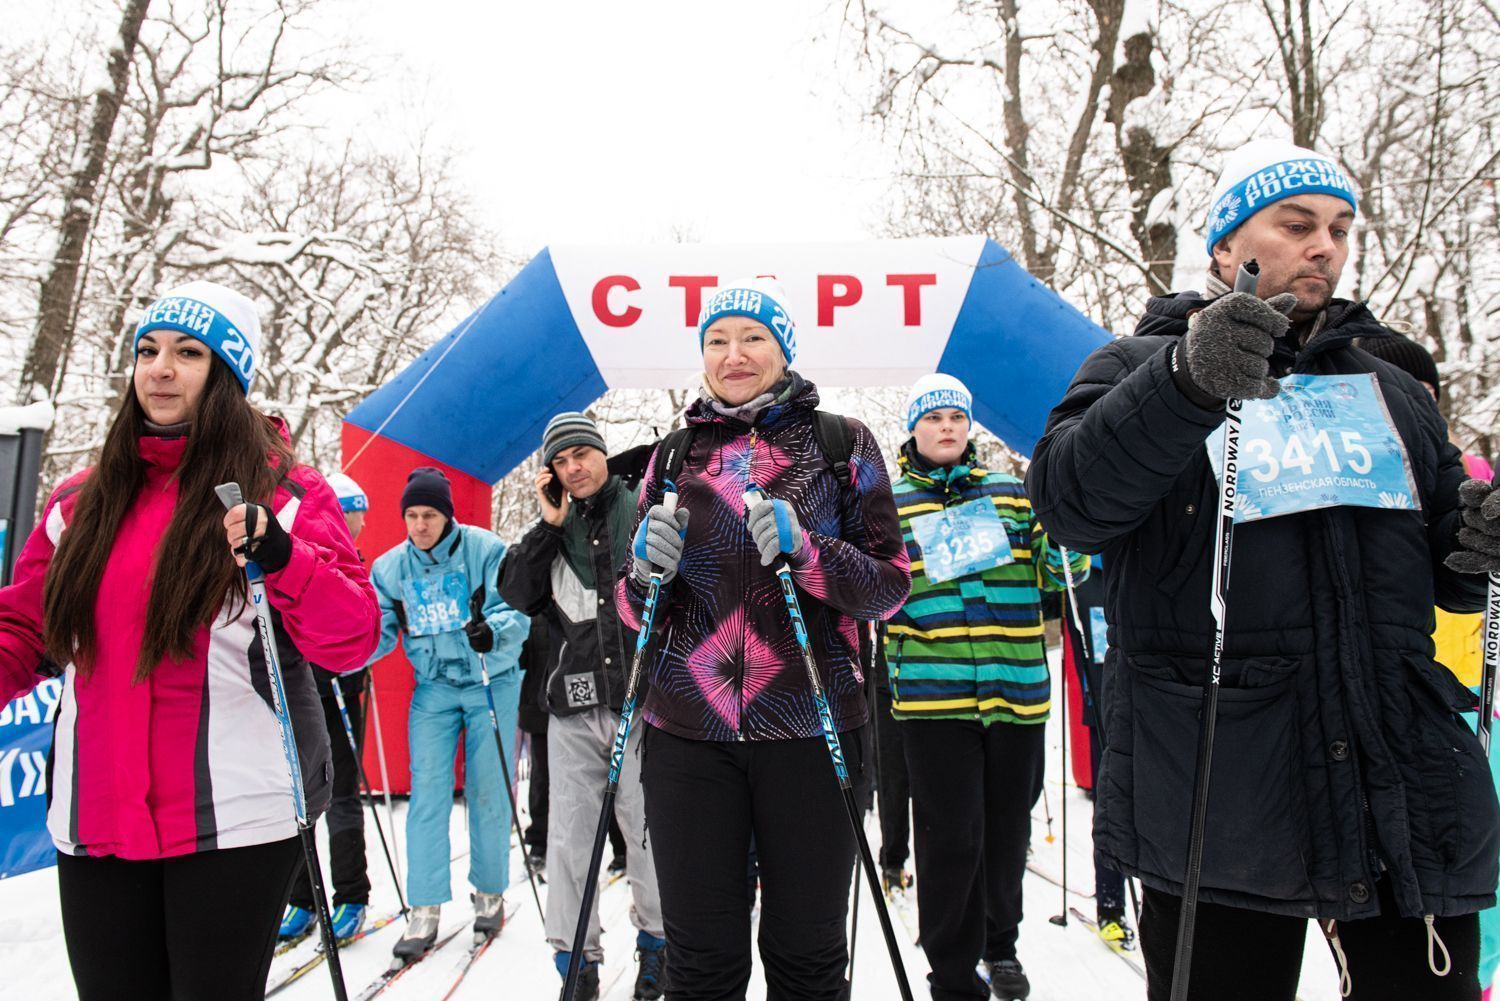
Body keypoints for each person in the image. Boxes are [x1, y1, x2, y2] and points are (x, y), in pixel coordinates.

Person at [1027, 138, 1500, 1000]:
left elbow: (1442, 574)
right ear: (1224, 247)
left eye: (1340, 229)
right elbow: (1070, 503)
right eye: (1297, 224)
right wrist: (1186, 382)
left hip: (1396, 775)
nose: (1325, 245)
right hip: (1222, 788)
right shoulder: (1136, 366)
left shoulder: (1390, 388)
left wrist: (1477, 545)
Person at [0, 281, 380, 1001]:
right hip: (96, 819)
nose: (161, 368)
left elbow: (353, 637)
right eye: (147, 351)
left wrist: (286, 558)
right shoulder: (80, 503)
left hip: (233, 821)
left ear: (227, 374)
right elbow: (23, 627)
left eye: (188, 353)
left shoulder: (283, 493)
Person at [616, 278, 911, 1000]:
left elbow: (889, 585)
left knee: (808, 959)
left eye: (753, 338)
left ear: (784, 351)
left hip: (812, 728)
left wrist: (808, 551)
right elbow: (634, 609)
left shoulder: (841, 443)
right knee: (700, 963)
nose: (734, 354)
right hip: (689, 736)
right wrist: (644, 575)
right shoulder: (673, 456)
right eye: (717, 340)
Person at [884, 374, 1090, 1000]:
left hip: (1015, 689)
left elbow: (1061, 573)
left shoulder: (1011, 492)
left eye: (956, 417)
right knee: (949, 838)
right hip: (934, 696)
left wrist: (1067, 525)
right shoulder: (888, 504)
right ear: (914, 428)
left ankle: (1001, 946)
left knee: (1007, 833)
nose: (946, 427)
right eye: (933, 418)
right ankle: (951, 970)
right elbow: (873, 591)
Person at [498, 411, 668, 1001]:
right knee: (571, 843)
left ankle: (657, 950)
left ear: (601, 452)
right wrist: (548, 526)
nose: (574, 468)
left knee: (648, 837)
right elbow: (516, 592)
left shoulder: (643, 505)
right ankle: (576, 962)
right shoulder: (553, 527)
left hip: (644, 706)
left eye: (582, 455)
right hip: (573, 709)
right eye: (561, 462)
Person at [1352, 333, 1500, 998]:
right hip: (1414, 698)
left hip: (1472, 701)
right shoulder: (1362, 467)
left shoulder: (1462, 473)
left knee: (1474, 880)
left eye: (1425, 391)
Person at [368, 467, 529, 960]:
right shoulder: (391, 568)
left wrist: (493, 632)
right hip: (434, 687)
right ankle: (425, 908)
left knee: (488, 788)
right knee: (428, 793)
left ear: (447, 516)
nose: (420, 525)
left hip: (490, 680)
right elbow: (378, 629)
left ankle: (489, 892)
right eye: (412, 516)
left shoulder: (485, 550)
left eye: (430, 515)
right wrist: (348, 653)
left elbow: (516, 609)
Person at [278, 471, 376, 943]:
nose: (359, 522)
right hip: (300, 692)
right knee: (294, 797)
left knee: (340, 795)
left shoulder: (354, 557)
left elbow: (363, 629)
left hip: (339, 692)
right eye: (354, 512)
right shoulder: (305, 539)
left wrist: (347, 667)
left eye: (357, 514)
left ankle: (351, 895)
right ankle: (301, 898)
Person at [1057, 553, 1136, 948]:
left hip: (1142, 570)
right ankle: (1111, 905)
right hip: (1094, 576)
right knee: (1110, 788)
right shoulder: (1083, 571)